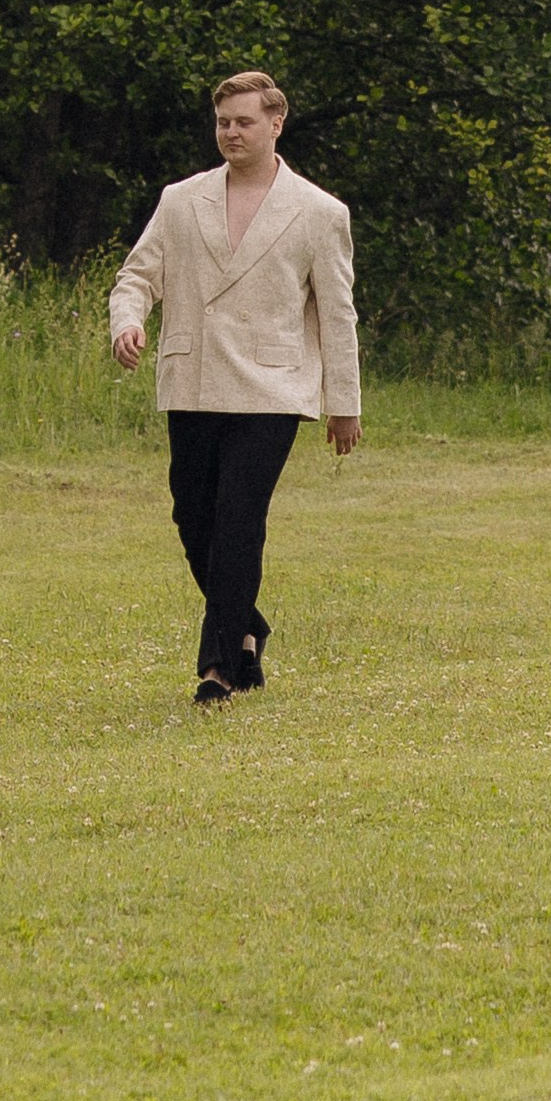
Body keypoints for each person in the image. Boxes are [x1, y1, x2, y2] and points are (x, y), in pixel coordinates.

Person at [109, 70, 361, 707]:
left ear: (276, 124)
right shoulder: (180, 200)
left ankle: (218, 668)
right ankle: (247, 627)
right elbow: (136, 277)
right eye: (223, 121)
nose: (231, 132)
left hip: (273, 389)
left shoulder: (319, 212)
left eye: (244, 121)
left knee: (239, 522)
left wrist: (343, 404)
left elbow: (337, 312)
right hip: (193, 380)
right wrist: (128, 323)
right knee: (193, 515)